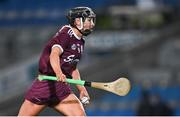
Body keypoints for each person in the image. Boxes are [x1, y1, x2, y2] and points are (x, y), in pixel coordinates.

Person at [18, 6, 96, 116]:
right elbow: (54, 54)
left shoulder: (80, 42)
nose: (92, 23)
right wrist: (59, 72)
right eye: (89, 20)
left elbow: (72, 68)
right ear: (78, 21)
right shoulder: (65, 34)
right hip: (45, 86)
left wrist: (82, 89)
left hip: (61, 88)